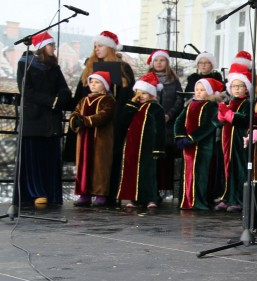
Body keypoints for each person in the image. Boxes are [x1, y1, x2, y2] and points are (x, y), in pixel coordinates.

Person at [15, 32, 71, 207]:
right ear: (42, 47)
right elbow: (27, 91)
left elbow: (65, 89)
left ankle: (50, 193)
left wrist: (60, 99)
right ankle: (34, 193)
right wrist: (50, 101)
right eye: (51, 45)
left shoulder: (54, 68)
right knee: (33, 160)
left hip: (51, 121)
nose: (54, 48)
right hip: (34, 120)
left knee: (50, 159)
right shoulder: (26, 64)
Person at [117, 73, 167, 209]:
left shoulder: (155, 108)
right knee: (132, 172)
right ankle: (135, 198)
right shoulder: (134, 107)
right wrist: (132, 103)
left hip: (148, 146)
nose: (141, 96)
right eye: (138, 93)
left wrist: (158, 148)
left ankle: (151, 198)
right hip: (132, 145)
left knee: (148, 172)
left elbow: (160, 129)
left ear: (151, 94)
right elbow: (122, 120)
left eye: (144, 93)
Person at [175, 77, 223, 210]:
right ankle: (187, 200)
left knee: (201, 173)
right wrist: (179, 137)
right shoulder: (190, 105)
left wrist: (191, 138)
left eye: (202, 90)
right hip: (188, 146)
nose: (198, 92)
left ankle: (199, 200)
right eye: (197, 89)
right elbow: (179, 121)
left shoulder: (211, 106)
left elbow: (209, 125)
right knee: (187, 172)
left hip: (203, 147)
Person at [70, 70, 116, 207]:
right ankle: (84, 193)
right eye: (91, 82)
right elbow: (75, 113)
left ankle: (100, 194)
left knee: (100, 165)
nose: (93, 85)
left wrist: (84, 120)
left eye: (97, 82)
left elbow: (104, 115)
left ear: (105, 85)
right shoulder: (84, 100)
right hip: (84, 138)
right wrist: (75, 120)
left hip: (100, 140)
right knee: (83, 165)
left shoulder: (108, 100)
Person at [214, 64, 252, 212]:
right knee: (225, 168)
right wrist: (221, 115)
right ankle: (226, 196)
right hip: (226, 140)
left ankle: (238, 199)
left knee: (238, 168)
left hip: (238, 139)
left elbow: (244, 119)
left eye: (240, 86)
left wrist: (228, 114)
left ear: (246, 88)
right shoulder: (229, 102)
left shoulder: (247, 103)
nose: (236, 89)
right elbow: (217, 122)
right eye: (234, 86)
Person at [148, 50, 182, 202]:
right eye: (157, 60)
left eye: (162, 60)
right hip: (151, 124)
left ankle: (162, 189)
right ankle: (150, 189)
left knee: (165, 158)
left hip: (168, 125)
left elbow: (179, 99)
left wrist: (170, 114)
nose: (159, 63)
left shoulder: (173, 80)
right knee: (151, 157)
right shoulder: (147, 79)